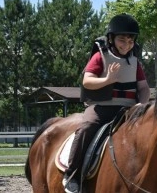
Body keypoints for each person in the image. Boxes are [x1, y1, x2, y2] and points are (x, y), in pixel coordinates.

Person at [62, 13, 150, 193]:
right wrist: (108, 79)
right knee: (86, 127)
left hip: (128, 110)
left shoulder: (135, 62)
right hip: (101, 108)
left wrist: (142, 104)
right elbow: (87, 81)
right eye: (122, 40)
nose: (126, 44)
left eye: (130, 41)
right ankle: (72, 174)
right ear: (111, 39)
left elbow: (143, 88)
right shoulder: (100, 56)